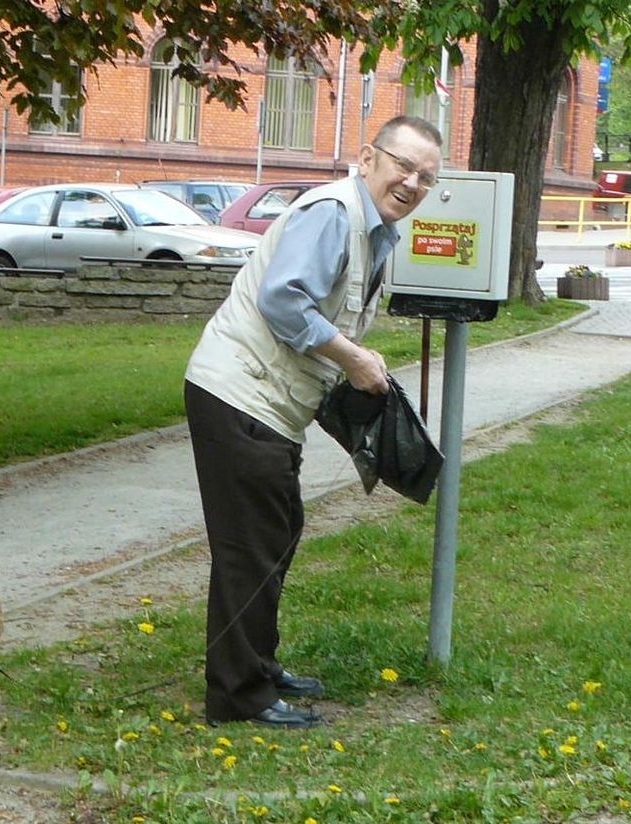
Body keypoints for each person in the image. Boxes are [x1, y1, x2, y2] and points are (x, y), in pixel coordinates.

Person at [182, 115, 444, 730]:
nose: (411, 182)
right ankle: (238, 696)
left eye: (426, 177)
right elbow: (282, 300)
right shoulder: (333, 213)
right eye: (402, 165)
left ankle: (259, 667)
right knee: (251, 547)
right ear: (367, 157)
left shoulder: (376, 231)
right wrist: (353, 359)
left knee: (278, 530)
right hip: (239, 393)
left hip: (269, 402)